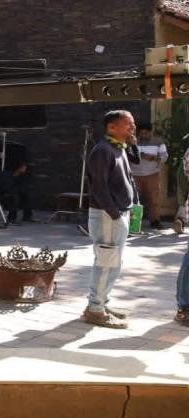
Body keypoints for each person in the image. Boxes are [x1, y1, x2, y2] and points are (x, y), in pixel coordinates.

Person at [84, 110, 138, 329]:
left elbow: (132, 169)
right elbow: (99, 186)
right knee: (106, 263)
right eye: (128, 124)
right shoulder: (102, 150)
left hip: (117, 213)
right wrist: (115, 214)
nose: (133, 127)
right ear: (111, 127)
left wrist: (131, 206)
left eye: (133, 124)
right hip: (107, 215)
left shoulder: (118, 147)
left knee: (113, 263)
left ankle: (100, 304)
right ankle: (95, 310)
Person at [129, 122, 168, 230]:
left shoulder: (158, 142)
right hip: (135, 174)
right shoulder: (133, 142)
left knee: (153, 199)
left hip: (152, 174)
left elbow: (165, 157)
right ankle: (133, 222)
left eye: (146, 133)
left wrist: (153, 158)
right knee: (134, 199)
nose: (143, 135)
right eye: (141, 133)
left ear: (151, 132)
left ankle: (155, 221)